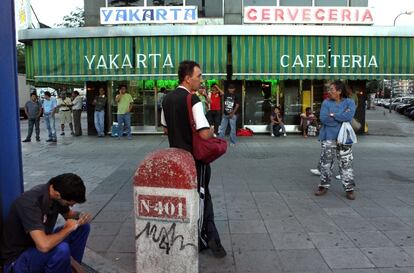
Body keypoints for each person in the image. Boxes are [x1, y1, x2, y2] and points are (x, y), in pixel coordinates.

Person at [161, 60, 226, 258]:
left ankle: (193, 236)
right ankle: (207, 240)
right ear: (188, 78)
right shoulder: (193, 99)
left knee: (185, 199)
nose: (201, 79)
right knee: (203, 197)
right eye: (199, 76)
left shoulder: (167, 99)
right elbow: (205, 134)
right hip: (195, 160)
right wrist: (213, 130)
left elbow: (165, 129)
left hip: (176, 159)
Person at [0, 173, 91, 273]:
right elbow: (43, 246)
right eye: (69, 203)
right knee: (61, 249)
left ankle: (71, 269)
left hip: (38, 246)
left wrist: (81, 215)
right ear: (58, 194)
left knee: (82, 227)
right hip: (18, 259)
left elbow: (69, 215)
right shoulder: (29, 203)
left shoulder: (55, 194)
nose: (72, 206)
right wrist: (67, 229)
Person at [314, 80, 356, 200]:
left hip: (344, 139)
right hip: (328, 137)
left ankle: (349, 189)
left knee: (346, 164)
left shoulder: (349, 102)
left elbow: (348, 117)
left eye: (331, 89)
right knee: (326, 163)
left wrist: (333, 115)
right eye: (329, 89)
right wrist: (340, 117)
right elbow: (323, 119)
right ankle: (323, 186)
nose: (329, 92)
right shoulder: (326, 103)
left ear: (339, 91)